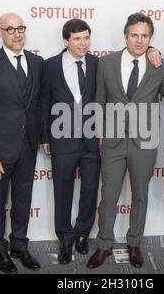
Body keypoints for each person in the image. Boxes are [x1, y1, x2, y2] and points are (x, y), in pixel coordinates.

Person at [87, 13, 164, 269]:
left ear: (150, 39)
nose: (139, 40)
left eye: (145, 36)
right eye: (135, 35)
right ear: (125, 35)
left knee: (140, 195)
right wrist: (100, 132)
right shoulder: (107, 63)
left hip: (144, 142)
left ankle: (134, 243)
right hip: (112, 141)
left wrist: (159, 54)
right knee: (108, 195)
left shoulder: (159, 64)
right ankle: (104, 245)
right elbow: (100, 99)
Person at [0, 12, 44, 273]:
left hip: (28, 145)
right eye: (10, 29)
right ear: (0, 33)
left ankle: (19, 245)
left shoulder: (37, 62)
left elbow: (39, 104)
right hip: (0, 149)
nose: (17, 34)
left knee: (23, 199)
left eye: (21, 28)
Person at [41, 19, 101, 264]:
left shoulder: (98, 63)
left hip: (91, 141)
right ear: (66, 41)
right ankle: (65, 239)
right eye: (77, 39)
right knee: (63, 190)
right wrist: (45, 137)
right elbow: (43, 102)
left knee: (89, 190)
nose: (83, 43)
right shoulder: (50, 66)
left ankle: (83, 235)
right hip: (61, 139)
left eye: (86, 38)